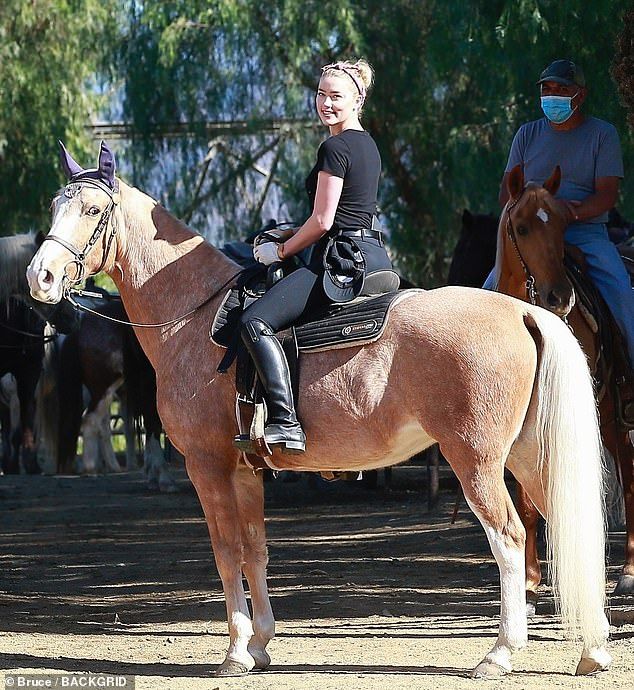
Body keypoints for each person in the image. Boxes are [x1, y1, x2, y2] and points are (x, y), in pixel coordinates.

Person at [234, 59, 393, 454]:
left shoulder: (335, 147)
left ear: (358, 100)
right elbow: (347, 211)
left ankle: (286, 422)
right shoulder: (367, 144)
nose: (325, 103)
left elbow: (323, 221)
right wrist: (289, 230)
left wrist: (280, 251)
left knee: (254, 320)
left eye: (336, 96)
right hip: (372, 254)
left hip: (338, 262)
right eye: (321, 94)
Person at [485, 59, 634, 394]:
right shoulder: (527, 134)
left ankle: (629, 381)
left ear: (580, 95)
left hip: (585, 231)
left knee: (622, 294)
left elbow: (607, 195)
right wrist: (533, 203)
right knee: (487, 291)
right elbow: (505, 195)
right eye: (547, 89)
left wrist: (569, 214)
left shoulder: (602, 134)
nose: (553, 96)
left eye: (562, 90)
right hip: (532, 234)